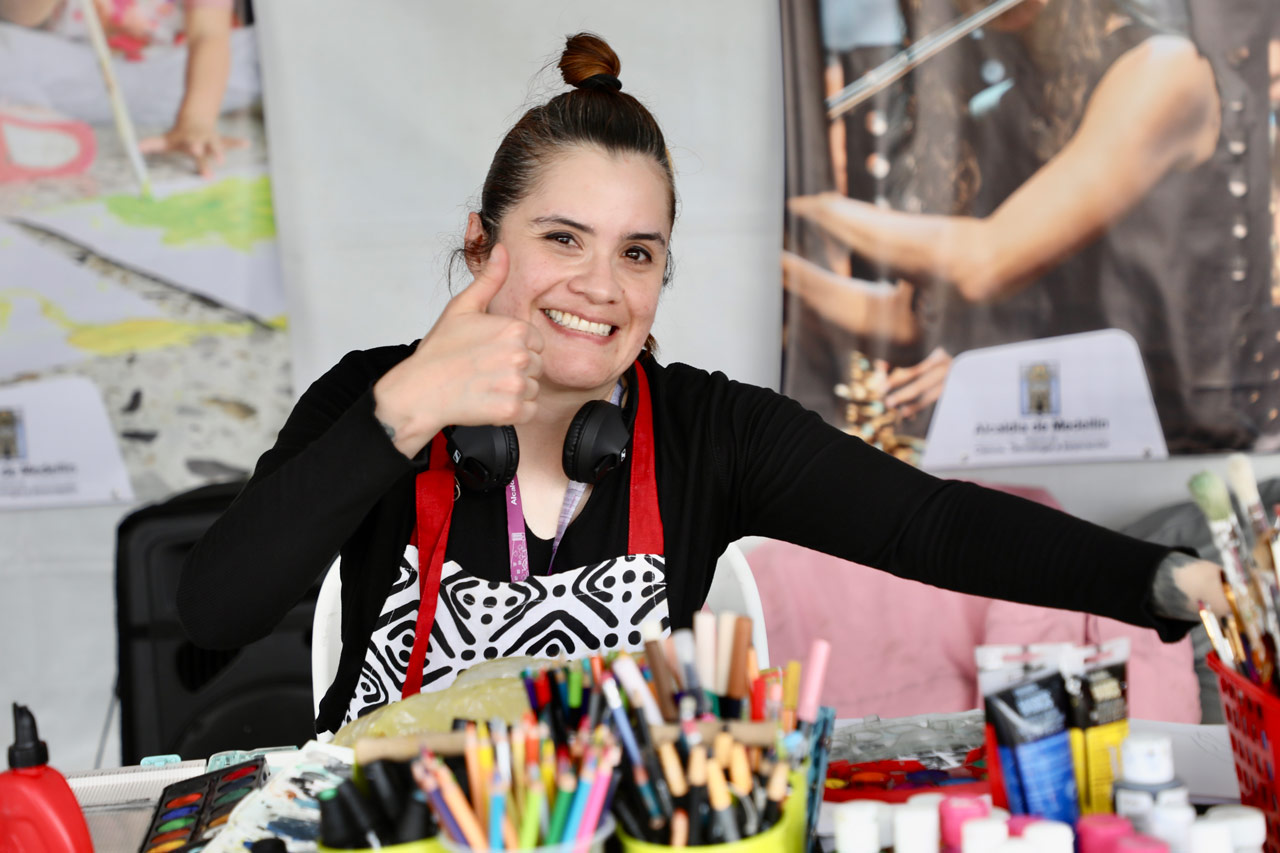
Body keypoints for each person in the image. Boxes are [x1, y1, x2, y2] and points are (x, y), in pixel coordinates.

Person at [178, 33, 1227, 735]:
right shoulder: (373, 397)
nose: (600, 287)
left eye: (637, 253)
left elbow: (935, 527)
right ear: (478, 241)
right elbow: (213, 617)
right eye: (561, 239)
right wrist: (403, 412)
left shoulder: (707, 430)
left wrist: (1169, 584)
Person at [785, 0, 1278, 451]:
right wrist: (771, 261)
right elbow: (909, 322)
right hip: (1047, 442)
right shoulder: (1002, 108)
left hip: (1170, 447)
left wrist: (808, 204)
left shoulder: (1164, 71)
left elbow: (986, 261)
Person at [0, 0, 246, 176]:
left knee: (254, 51)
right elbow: (23, 16)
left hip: (173, 76)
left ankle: (24, 112)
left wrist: (196, 119)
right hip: (82, 72)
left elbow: (208, 36)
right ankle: (35, 126)